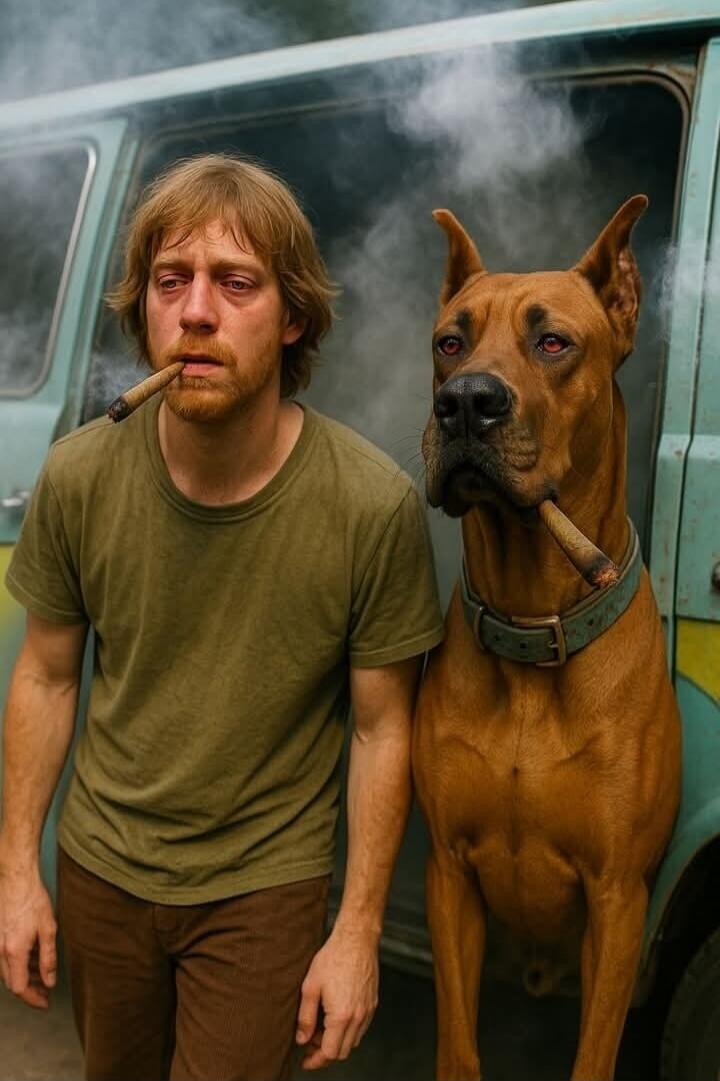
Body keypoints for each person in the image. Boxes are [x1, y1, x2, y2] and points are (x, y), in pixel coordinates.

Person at [0, 154, 444, 1080]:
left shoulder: (371, 506)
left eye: (234, 282)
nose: (195, 312)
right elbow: (43, 674)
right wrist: (15, 876)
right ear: (144, 308)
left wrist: (356, 932)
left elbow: (380, 729)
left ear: (292, 319)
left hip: (262, 886)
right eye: (171, 282)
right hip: (101, 867)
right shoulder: (81, 474)